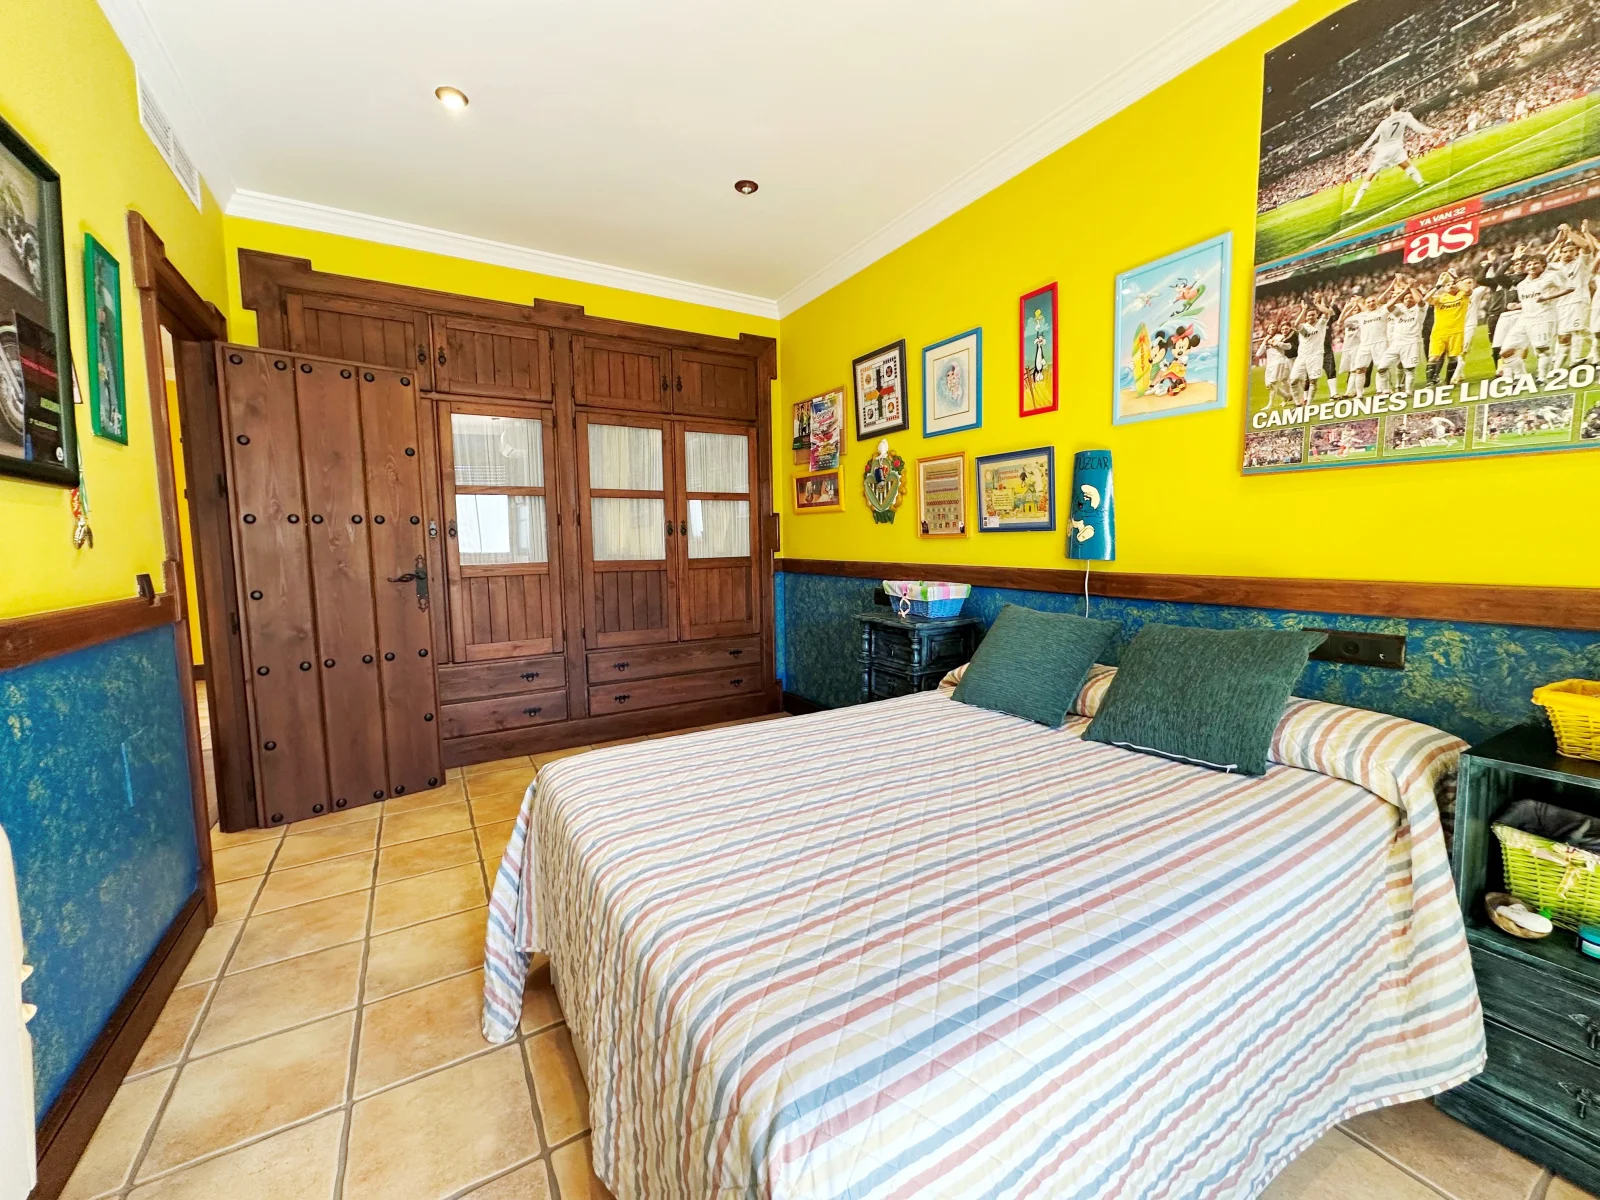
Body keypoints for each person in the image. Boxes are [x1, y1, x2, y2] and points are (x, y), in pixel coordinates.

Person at [1346, 98, 1438, 212]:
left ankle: (1353, 206)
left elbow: (1372, 139)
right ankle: (1421, 182)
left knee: (1369, 176)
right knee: (1406, 165)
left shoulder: (1384, 123)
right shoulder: (1406, 116)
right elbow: (1417, 127)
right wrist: (1430, 132)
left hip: (1383, 151)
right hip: (1396, 148)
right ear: (1401, 107)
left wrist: (1357, 154)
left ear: (1391, 108)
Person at [1516, 255, 1573, 379]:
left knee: (1543, 348)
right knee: (1537, 350)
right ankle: (1545, 373)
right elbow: (1527, 301)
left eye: (1535, 263)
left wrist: (1548, 297)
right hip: (1528, 319)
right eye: (1529, 265)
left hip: (1545, 315)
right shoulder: (1521, 285)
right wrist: (1517, 306)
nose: (1532, 267)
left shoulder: (1551, 276)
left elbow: (1570, 288)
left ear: (1543, 265)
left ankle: (1543, 378)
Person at [1424, 272, 1472, 385]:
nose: (1450, 286)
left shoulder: (1462, 295)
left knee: (1453, 358)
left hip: (1456, 332)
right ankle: (1430, 382)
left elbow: (1468, 290)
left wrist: (1455, 278)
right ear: (1444, 288)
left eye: (1452, 284)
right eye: (1447, 284)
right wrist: (1437, 285)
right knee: (1434, 357)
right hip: (1439, 332)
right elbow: (1426, 299)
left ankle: (1448, 381)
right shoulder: (1440, 298)